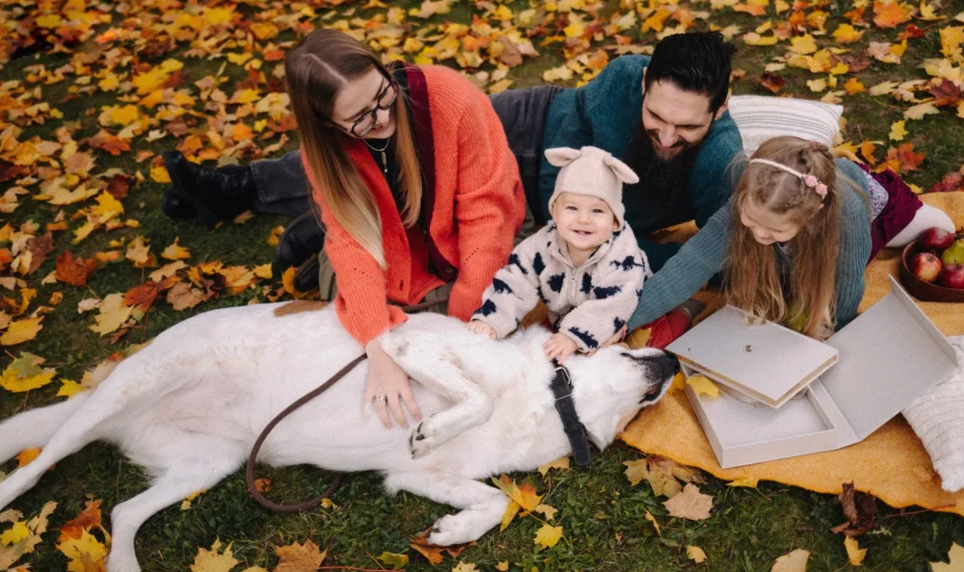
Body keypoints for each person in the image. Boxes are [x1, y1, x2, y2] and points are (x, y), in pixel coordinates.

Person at [160, 31, 743, 283]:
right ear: (644, 84)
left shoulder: (719, 158)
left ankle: (315, 225)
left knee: (414, 182)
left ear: (718, 111)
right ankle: (237, 187)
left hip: (546, 201)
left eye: (685, 127)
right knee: (389, 136)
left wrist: (638, 249)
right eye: (656, 118)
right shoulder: (622, 77)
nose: (666, 136)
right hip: (529, 125)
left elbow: (723, 243)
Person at [283, 28, 524, 429]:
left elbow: (487, 217)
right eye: (359, 119)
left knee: (497, 306)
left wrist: (465, 325)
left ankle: (313, 245)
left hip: (466, 235)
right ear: (327, 125)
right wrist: (380, 348)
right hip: (384, 246)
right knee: (363, 317)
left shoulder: (451, 98)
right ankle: (319, 244)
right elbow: (352, 244)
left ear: (383, 68)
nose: (382, 119)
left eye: (382, 96)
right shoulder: (322, 154)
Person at [629, 136, 955, 342]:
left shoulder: (848, 213)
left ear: (812, 215)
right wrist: (623, 323)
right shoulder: (755, 199)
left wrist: (828, 337)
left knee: (944, 228)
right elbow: (690, 263)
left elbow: (846, 285)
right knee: (767, 262)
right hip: (802, 208)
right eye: (750, 220)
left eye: (772, 230)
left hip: (874, 209)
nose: (757, 234)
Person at [468, 146, 650, 362]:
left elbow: (614, 303)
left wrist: (574, 336)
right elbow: (515, 281)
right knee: (541, 349)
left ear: (615, 221)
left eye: (597, 211)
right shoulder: (541, 247)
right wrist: (492, 319)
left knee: (647, 343)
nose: (584, 219)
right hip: (565, 318)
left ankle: (684, 313)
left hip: (622, 314)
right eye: (572, 208)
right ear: (555, 211)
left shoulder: (623, 259)